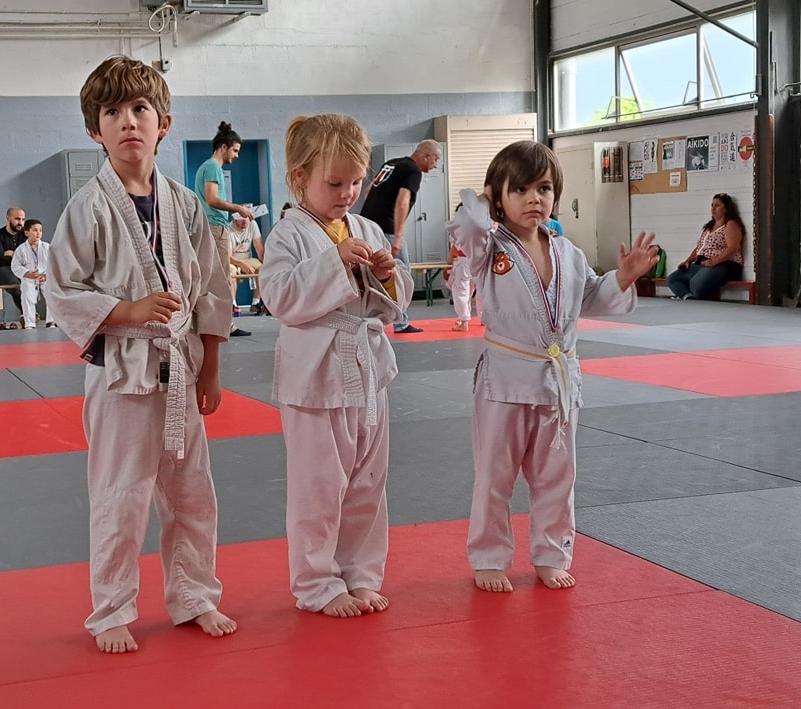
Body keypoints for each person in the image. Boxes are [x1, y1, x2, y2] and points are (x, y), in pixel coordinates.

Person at [45, 55, 237, 654]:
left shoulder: (185, 204)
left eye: (140, 109)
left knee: (193, 493)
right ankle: (111, 610)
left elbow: (212, 290)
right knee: (120, 495)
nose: (128, 121)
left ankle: (194, 596)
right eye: (112, 112)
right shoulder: (88, 206)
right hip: (121, 375)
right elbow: (61, 289)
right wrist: (129, 310)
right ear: (94, 130)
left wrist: (211, 368)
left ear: (164, 123)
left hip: (182, 367)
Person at [446, 140, 659, 593]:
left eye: (543, 188)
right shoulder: (488, 248)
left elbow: (590, 297)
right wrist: (485, 198)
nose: (533, 199)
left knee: (557, 476)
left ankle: (551, 553)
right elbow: (466, 225)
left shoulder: (567, 252)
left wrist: (623, 277)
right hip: (505, 382)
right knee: (495, 476)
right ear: (497, 197)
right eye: (520, 189)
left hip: (557, 383)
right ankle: (489, 557)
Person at [260, 113, 414, 618]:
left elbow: (392, 305)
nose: (347, 193)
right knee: (319, 486)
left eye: (355, 182)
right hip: (315, 376)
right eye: (334, 183)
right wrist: (335, 260)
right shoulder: (287, 235)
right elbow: (279, 297)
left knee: (369, 480)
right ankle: (316, 584)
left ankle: (361, 574)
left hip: (368, 369)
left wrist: (388, 276)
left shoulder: (366, 227)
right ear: (299, 177)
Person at [359, 139, 443, 334]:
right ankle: (401, 323)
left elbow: (368, 191)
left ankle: (369, 317)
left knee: (368, 273)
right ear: (426, 156)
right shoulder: (413, 170)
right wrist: (398, 236)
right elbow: (403, 201)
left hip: (367, 225)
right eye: (435, 159)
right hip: (386, 228)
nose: (435, 165)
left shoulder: (392, 163)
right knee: (402, 274)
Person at [194, 121, 256, 338]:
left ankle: (212, 323)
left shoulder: (208, 167)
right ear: (223, 147)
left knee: (212, 277)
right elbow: (212, 199)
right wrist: (238, 208)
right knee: (222, 278)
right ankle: (225, 325)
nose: (236, 155)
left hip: (211, 226)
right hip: (215, 227)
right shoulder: (213, 167)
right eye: (235, 150)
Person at [666, 193, 745, 300]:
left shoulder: (730, 224)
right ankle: (689, 298)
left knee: (696, 283)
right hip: (702, 263)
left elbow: (733, 248)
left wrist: (714, 262)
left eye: (717, 205)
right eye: (712, 205)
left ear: (726, 209)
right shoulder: (709, 226)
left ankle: (689, 298)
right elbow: (700, 247)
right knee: (672, 279)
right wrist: (688, 261)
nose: (713, 208)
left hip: (724, 263)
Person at [11, 219, 55, 329]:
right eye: (35, 230)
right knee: (26, 296)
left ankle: (51, 321)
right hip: (29, 278)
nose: (38, 233)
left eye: (40, 230)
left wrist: (47, 275)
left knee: (52, 294)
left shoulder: (47, 247)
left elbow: (55, 264)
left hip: (45, 277)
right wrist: (27, 273)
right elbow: (15, 266)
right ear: (27, 233)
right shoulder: (21, 249)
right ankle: (29, 323)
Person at [0, 208, 26, 322]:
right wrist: (19, 257)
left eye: (23, 219)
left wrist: (12, 254)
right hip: (5, 270)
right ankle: (28, 314)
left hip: (24, 269)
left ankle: (28, 316)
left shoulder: (26, 234)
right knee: (16, 287)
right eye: (17, 219)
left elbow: (30, 257)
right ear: (8, 218)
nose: (20, 222)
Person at [226, 215, 267, 316]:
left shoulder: (252, 225)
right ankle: (233, 304)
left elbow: (259, 248)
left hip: (248, 259)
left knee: (262, 269)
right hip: (233, 260)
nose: (245, 222)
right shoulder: (228, 230)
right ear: (234, 220)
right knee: (231, 272)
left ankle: (256, 303)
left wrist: (267, 264)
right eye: (241, 220)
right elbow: (228, 256)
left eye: (246, 219)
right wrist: (242, 265)